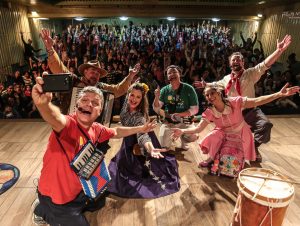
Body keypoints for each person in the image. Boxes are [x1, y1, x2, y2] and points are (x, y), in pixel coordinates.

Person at [31, 77, 157, 226]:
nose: (89, 104)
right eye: (84, 100)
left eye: (95, 103)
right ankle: (42, 210)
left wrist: (141, 129)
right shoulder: (68, 125)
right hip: (58, 200)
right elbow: (55, 118)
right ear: (76, 105)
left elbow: (116, 131)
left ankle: (52, 207)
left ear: (100, 111)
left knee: (99, 200)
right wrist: (44, 105)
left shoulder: (97, 128)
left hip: (78, 190)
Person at [194, 35, 292, 161]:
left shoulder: (251, 73)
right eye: (233, 60)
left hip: (250, 110)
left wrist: (279, 51)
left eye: (238, 59)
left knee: (266, 125)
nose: (236, 61)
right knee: (224, 138)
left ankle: (253, 147)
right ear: (230, 63)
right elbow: (214, 85)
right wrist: (205, 84)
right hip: (234, 114)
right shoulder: (226, 79)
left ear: (243, 62)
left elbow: (265, 64)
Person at [172, 83, 300, 167]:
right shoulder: (210, 111)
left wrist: (278, 94)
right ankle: (211, 158)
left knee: (234, 163)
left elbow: (257, 100)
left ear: (219, 93)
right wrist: (182, 132)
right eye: (207, 95)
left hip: (241, 133)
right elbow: (199, 129)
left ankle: (238, 155)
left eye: (212, 93)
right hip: (224, 133)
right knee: (214, 136)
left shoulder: (235, 102)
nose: (210, 96)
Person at [39, 29, 141, 114]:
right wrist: (50, 48)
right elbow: (59, 68)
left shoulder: (101, 87)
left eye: (98, 73)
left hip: (92, 129)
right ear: (85, 71)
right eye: (93, 71)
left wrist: (130, 76)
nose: (96, 74)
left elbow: (118, 89)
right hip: (69, 126)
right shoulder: (73, 80)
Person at [108, 83, 180, 198]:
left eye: (138, 97)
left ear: (142, 100)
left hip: (139, 142)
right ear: (128, 95)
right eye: (132, 95)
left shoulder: (139, 118)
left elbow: (142, 136)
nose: (134, 99)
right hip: (128, 140)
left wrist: (150, 148)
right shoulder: (125, 106)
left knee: (138, 170)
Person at [153, 65, 199, 151]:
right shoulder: (164, 90)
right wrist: (156, 97)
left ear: (180, 74)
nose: (172, 74)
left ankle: (184, 139)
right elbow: (156, 108)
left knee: (193, 136)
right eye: (169, 73)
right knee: (163, 146)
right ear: (167, 77)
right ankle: (172, 137)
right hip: (169, 122)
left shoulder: (189, 89)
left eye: (174, 72)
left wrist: (180, 114)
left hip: (184, 120)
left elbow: (195, 109)